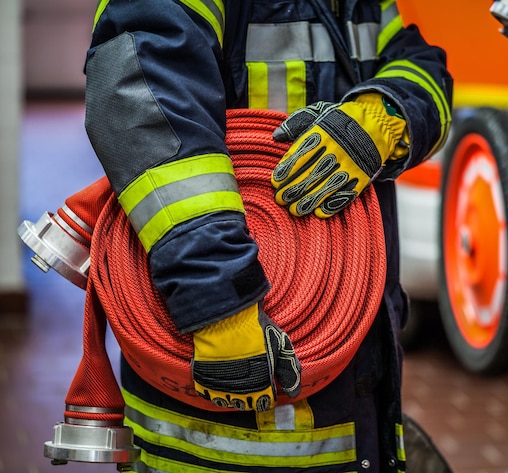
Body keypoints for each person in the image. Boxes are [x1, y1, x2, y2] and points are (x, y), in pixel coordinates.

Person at [83, 0, 453, 471]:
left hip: (348, 382)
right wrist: (220, 303)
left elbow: (423, 65)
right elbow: (142, 101)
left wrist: (382, 112)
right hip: (214, 386)